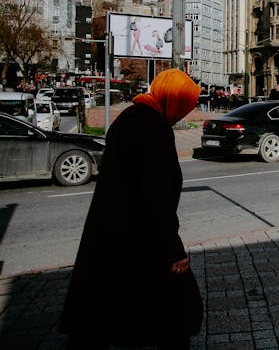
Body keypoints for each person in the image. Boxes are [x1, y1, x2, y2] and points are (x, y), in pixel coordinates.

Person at [59, 69, 204, 348]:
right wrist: (173, 249)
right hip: (141, 236)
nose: (182, 115)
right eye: (183, 107)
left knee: (103, 306)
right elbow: (155, 195)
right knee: (175, 310)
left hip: (112, 232)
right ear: (172, 99)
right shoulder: (154, 129)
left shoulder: (130, 117)